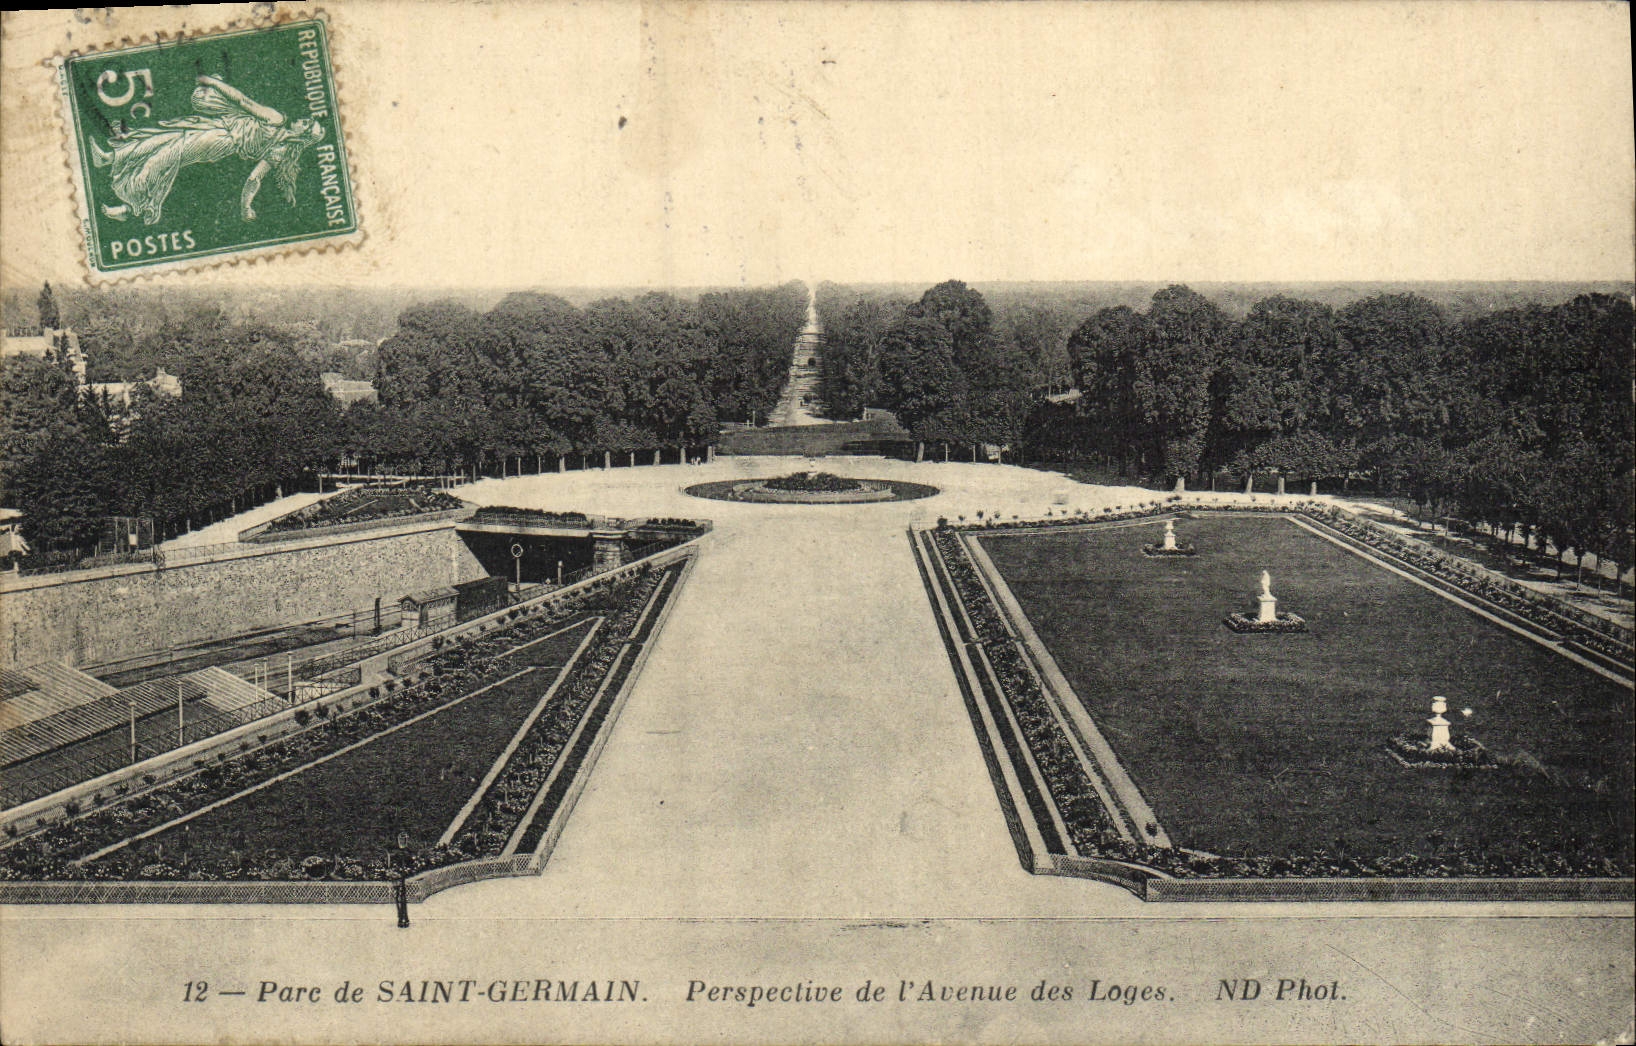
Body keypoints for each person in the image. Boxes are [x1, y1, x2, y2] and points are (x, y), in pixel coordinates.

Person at [88, 75, 324, 225]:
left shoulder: (277, 119)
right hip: (218, 128)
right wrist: (246, 206)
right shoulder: (280, 150)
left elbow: (244, 102)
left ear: (303, 134)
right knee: (164, 136)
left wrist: (214, 83)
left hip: (221, 138)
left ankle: (130, 207)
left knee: (170, 152)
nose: (301, 120)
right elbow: (254, 179)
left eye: (305, 123)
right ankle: (110, 157)